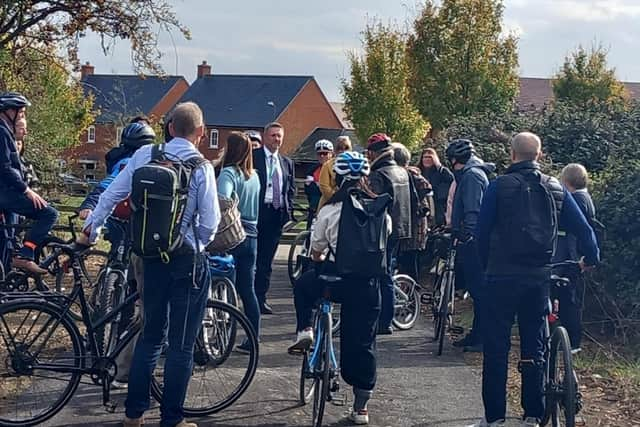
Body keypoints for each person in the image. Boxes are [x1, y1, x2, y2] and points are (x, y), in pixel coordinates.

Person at [80, 102, 220, 427]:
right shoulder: (202, 167)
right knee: (182, 346)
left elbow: (112, 193)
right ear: (200, 133)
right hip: (187, 262)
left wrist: (94, 227)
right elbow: (210, 224)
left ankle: (133, 415)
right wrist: (193, 243)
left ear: (169, 128)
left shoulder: (145, 156)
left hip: (151, 258)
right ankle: (172, 420)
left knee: (151, 336)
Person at [471, 132, 599, 427]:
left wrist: (484, 267)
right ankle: (533, 413)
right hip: (538, 277)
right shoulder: (555, 187)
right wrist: (590, 258)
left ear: (511, 154)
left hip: (501, 277)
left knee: (496, 347)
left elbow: (481, 234)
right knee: (534, 344)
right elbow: (584, 229)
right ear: (539, 156)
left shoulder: (496, 187)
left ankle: (495, 418)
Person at [289, 151, 390, 425]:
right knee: (364, 341)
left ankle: (306, 329)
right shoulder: (381, 211)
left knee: (303, 286)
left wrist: (321, 257)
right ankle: (361, 408)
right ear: (366, 178)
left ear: (336, 177)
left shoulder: (330, 210)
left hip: (333, 281)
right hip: (366, 285)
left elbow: (317, 250)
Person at [77, 122, 156, 389]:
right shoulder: (134, 162)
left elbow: (104, 188)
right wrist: (90, 206)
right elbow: (107, 187)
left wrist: (90, 210)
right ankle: (116, 329)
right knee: (128, 283)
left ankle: (103, 311)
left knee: (117, 274)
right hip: (130, 230)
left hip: (117, 225)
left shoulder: (122, 157)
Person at [0, 92, 58, 274]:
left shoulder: (5, 131)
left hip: (6, 193)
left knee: (6, 237)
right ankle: (25, 255)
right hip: (6, 192)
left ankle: (6, 278)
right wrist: (26, 190)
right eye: (22, 113)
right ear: (10, 111)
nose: (23, 117)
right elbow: (5, 168)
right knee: (49, 214)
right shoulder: (1, 132)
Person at [447, 139, 495, 353]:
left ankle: (482, 337)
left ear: (455, 160)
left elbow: (473, 210)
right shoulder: (472, 173)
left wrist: (468, 237)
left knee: (480, 291)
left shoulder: (472, 176)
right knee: (477, 292)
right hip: (474, 240)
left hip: (474, 242)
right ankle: (477, 334)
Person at [218, 131, 261, 352]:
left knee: (226, 286)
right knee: (248, 289)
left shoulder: (229, 173)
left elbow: (222, 200)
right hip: (252, 235)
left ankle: (223, 335)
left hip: (232, 234)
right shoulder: (254, 176)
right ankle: (253, 337)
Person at [367, 133, 411, 335]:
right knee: (387, 273)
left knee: (381, 274)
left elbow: (374, 204)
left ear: (373, 153)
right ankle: (387, 317)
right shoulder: (402, 172)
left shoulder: (379, 174)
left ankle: (384, 320)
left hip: (384, 230)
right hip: (400, 227)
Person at [552, 163, 598, 351]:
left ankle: (572, 342)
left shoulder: (576, 199)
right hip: (577, 255)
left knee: (569, 299)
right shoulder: (584, 197)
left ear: (566, 180)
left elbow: (574, 230)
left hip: (571, 257)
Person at [253, 122, 295, 314]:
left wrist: (289, 212)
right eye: (273, 135)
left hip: (276, 215)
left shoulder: (286, 162)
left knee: (266, 261)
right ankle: (248, 297)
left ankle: (261, 298)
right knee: (252, 258)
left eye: (279, 136)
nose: (276, 139)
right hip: (257, 213)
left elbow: (290, 189)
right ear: (264, 137)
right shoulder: (254, 158)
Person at [392, 142, 433, 281]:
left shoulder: (408, 174)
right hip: (411, 224)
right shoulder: (410, 173)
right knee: (408, 262)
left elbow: (426, 188)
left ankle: (411, 295)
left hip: (413, 225)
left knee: (409, 263)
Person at [419, 147, 454, 227]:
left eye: (429, 157)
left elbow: (450, 187)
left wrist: (433, 189)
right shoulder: (419, 172)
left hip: (439, 208)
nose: (427, 159)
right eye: (425, 157)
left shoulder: (443, 172)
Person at [304, 139, 333, 226]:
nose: (322, 156)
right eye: (319, 154)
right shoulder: (312, 170)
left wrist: (317, 185)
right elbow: (309, 190)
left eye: (325, 153)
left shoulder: (335, 169)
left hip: (331, 209)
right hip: (315, 208)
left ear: (331, 153)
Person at [318, 135, 352, 209]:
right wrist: (337, 197)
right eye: (339, 148)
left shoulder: (355, 164)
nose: (342, 150)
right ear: (335, 150)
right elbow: (324, 186)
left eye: (346, 148)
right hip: (329, 203)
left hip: (351, 202)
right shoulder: (327, 165)